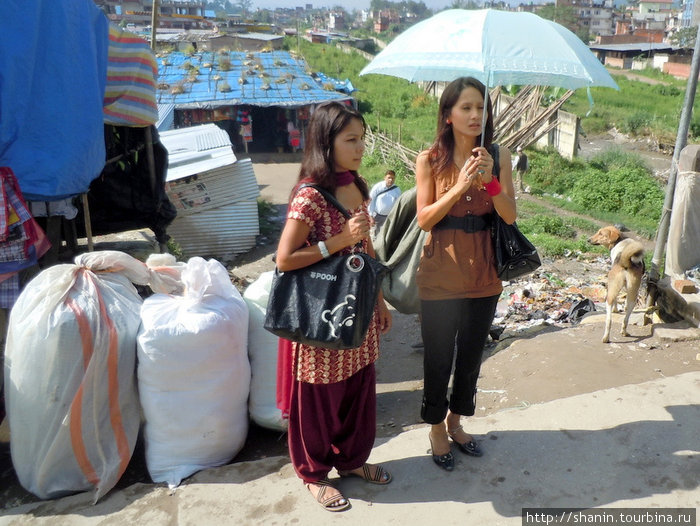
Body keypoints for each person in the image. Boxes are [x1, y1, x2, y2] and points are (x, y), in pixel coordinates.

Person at [274, 101, 393, 511]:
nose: (361, 147)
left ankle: (353, 461)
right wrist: (336, 242)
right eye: (351, 140)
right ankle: (314, 474)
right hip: (321, 316)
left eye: (362, 138)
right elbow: (284, 259)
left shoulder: (358, 186)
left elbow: (367, 248)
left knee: (358, 390)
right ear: (327, 142)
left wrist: (379, 299)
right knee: (319, 400)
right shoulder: (310, 197)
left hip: (356, 310)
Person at [414, 77, 516, 472]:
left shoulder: (498, 155)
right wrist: (458, 187)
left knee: (472, 356)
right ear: (447, 115)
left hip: (484, 274)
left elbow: (509, 214)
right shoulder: (429, 160)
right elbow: (424, 219)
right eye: (466, 108)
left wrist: (489, 179)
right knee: (439, 359)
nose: (476, 115)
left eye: (481, 108)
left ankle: (457, 422)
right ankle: (436, 427)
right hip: (440, 274)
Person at [368, 169, 402, 237]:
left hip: (390, 216)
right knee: (377, 235)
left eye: (392, 178)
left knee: (388, 235)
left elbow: (399, 203)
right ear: (385, 177)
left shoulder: (397, 190)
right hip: (378, 216)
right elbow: (371, 201)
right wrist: (370, 216)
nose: (391, 180)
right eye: (389, 177)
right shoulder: (378, 187)